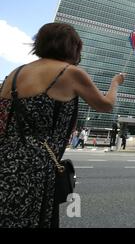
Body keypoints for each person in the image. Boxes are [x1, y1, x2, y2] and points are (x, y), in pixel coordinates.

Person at [0, 22, 125, 228]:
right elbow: (105, 105)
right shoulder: (69, 72)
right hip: (34, 169)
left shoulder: (14, 74)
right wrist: (115, 83)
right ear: (74, 47)